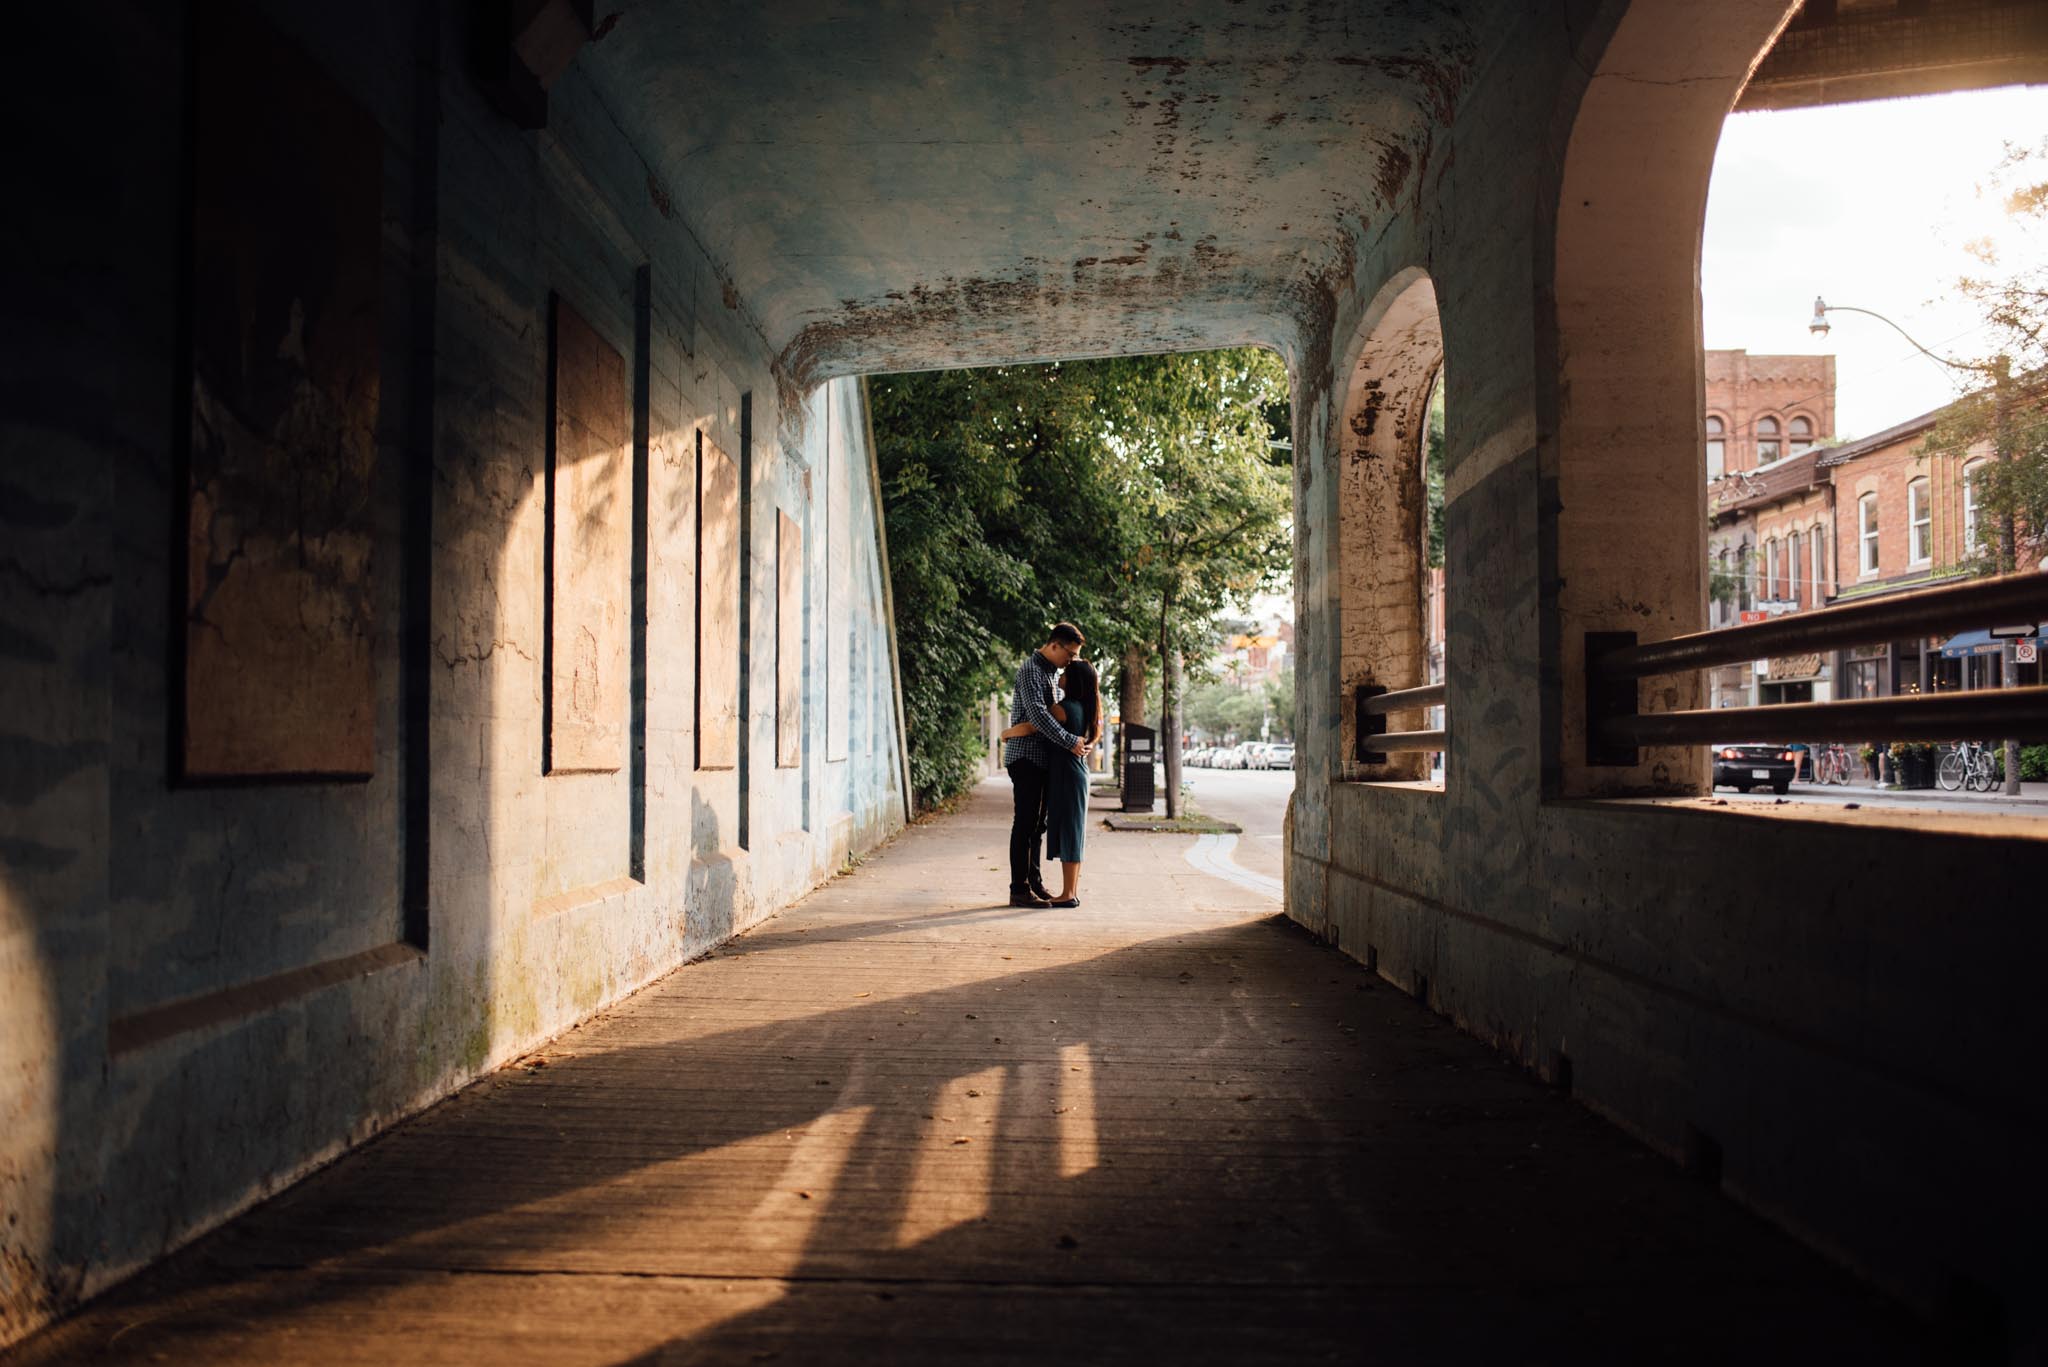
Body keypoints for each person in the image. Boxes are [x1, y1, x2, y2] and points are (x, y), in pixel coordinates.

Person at [1000, 657, 1100, 906]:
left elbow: (1035, 725)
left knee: (1068, 831)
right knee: (1074, 832)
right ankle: (1070, 892)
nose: (1060, 675)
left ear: (1073, 680)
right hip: (1076, 773)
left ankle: (1067, 894)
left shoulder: (1063, 708)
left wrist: (1007, 733)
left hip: (1067, 776)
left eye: (1066, 672)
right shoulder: (1085, 707)